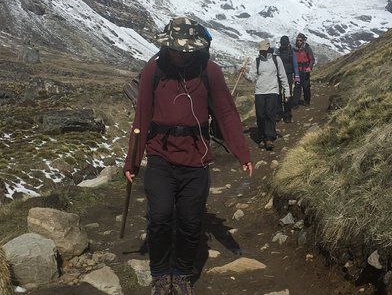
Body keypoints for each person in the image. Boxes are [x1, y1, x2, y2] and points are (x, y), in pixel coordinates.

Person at [124, 17, 253, 295]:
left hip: (197, 157)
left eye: (185, 50)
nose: (180, 54)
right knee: (159, 217)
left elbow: (226, 113)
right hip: (160, 155)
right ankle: (160, 275)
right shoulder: (152, 71)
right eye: (174, 49)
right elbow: (142, 116)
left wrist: (242, 153)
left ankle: (181, 274)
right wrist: (132, 161)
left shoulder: (210, 72)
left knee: (190, 220)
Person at [253, 40, 290, 151]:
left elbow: (282, 76)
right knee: (260, 114)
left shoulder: (276, 59)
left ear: (268, 49)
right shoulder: (257, 61)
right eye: (261, 51)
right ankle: (261, 136)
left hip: (273, 90)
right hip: (259, 91)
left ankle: (269, 138)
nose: (262, 52)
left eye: (264, 50)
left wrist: (287, 91)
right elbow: (252, 77)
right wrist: (244, 72)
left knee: (270, 113)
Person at [275, 36, 299, 123]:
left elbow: (295, 64)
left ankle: (287, 114)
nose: (283, 45)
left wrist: (296, 76)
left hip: (288, 75)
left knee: (287, 94)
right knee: (278, 94)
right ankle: (279, 113)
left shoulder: (291, 52)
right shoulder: (278, 52)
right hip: (279, 75)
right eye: (282, 44)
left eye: (284, 44)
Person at [293, 33, 315, 107]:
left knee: (306, 87)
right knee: (297, 87)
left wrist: (310, 67)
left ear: (303, 41)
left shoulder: (307, 48)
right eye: (297, 40)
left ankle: (307, 101)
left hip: (305, 71)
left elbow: (312, 59)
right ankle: (296, 103)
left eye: (300, 40)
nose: (299, 41)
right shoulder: (294, 49)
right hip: (297, 71)